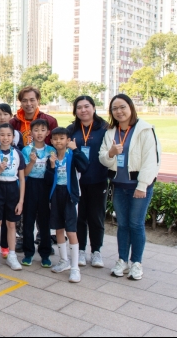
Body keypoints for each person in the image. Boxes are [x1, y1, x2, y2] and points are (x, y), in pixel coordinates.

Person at [99, 94, 161, 281]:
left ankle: (136, 263)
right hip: (119, 186)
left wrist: (142, 185)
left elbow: (151, 161)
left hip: (138, 187)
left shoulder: (144, 130)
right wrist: (111, 153)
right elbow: (103, 158)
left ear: (131, 107)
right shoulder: (111, 132)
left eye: (122, 107)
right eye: (115, 108)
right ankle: (122, 260)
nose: (119, 111)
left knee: (136, 224)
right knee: (123, 224)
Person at [67, 96, 109, 268]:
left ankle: (96, 251)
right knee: (79, 217)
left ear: (93, 108)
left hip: (98, 180)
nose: (83, 110)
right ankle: (81, 250)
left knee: (96, 217)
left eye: (86, 106)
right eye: (79, 107)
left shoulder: (105, 129)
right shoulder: (72, 130)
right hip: (77, 181)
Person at [45, 127, 89, 283]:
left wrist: (76, 150)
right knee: (58, 229)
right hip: (56, 195)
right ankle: (64, 260)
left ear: (68, 140)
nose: (58, 141)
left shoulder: (72, 155)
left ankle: (75, 267)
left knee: (71, 230)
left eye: (62, 138)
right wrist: (51, 166)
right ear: (51, 141)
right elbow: (48, 180)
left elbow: (84, 166)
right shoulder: (52, 157)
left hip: (70, 196)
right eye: (55, 139)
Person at [0, 104, 24, 258]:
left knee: (11, 222)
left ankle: (8, 250)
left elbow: (21, 175)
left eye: (5, 114)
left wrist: (21, 200)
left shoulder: (18, 149)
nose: (5, 138)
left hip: (13, 187)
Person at [21, 119, 55, 268]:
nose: (39, 133)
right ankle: (28, 253)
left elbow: (54, 171)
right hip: (30, 185)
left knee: (44, 222)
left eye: (43, 130)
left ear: (48, 132)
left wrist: (52, 164)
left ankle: (45, 253)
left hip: (45, 186)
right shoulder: (26, 150)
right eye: (36, 130)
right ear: (31, 133)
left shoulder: (51, 150)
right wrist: (32, 162)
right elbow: (25, 173)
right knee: (28, 221)